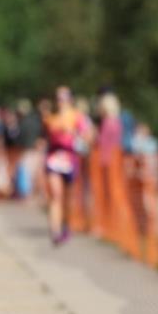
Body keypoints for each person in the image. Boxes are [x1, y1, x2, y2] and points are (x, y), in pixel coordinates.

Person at [43, 86, 92, 245]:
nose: (60, 101)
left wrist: (75, 135)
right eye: (58, 98)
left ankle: (66, 225)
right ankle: (55, 231)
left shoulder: (77, 117)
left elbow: (88, 136)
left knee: (67, 199)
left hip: (70, 160)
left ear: (70, 99)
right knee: (56, 194)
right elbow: (46, 138)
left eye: (63, 98)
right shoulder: (51, 118)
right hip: (54, 159)